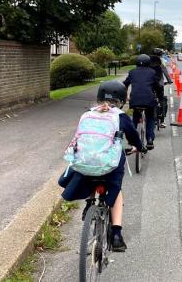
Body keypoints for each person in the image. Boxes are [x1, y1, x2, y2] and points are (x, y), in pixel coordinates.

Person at [58, 80, 144, 252]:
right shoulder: (120, 116)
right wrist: (138, 147)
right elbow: (133, 136)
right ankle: (117, 235)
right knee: (116, 191)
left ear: (98, 98)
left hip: (83, 163)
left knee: (89, 172)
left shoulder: (87, 114)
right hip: (109, 165)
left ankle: (90, 203)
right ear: (122, 100)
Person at [123, 54, 162, 149]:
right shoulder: (152, 72)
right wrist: (160, 98)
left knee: (135, 118)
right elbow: (157, 87)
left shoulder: (132, 72)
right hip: (149, 100)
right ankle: (149, 139)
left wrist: (124, 96)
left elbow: (125, 84)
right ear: (148, 63)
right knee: (150, 118)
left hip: (134, 100)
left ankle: (132, 140)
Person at [150, 48, 173, 128]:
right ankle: (162, 120)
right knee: (162, 99)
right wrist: (169, 80)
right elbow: (165, 72)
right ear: (160, 55)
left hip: (149, 84)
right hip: (159, 84)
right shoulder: (161, 62)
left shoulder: (148, 61)